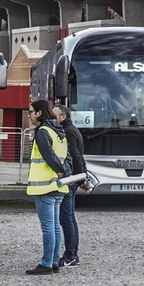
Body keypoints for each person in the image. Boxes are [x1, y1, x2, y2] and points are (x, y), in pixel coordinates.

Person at [25, 98, 70, 275]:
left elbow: (48, 155)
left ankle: (46, 263)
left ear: (39, 113)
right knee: (55, 226)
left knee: (48, 227)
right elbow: (66, 157)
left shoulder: (43, 131)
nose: (29, 115)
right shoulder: (59, 132)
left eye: (30, 111)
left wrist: (59, 170)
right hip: (59, 185)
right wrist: (65, 172)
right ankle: (54, 261)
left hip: (45, 185)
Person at [53, 102, 85, 267]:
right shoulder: (73, 130)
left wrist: (78, 177)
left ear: (63, 116)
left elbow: (75, 156)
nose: (52, 118)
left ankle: (71, 254)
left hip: (69, 179)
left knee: (66, 218)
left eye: (54, 115)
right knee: (70, 218)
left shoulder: (67, 132)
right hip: (74, 178)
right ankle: (73, 254)